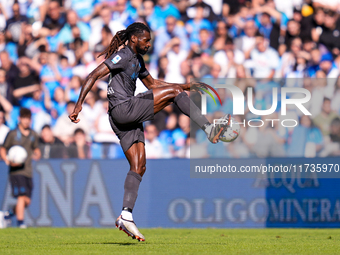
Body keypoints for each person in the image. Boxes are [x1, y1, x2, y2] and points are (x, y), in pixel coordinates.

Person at [68, 22, 230, 241]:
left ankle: (125, 215)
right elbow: (92, 75)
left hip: (122, 119)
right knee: (172, 92)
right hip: (123, 108)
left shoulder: (138, 60)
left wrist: (186, 86)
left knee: (139, 166)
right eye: (146, 40)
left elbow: (153, 84)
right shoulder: (123, 56)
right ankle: (209, 129)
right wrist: (79, 104)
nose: (149, 43)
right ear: (134, 39)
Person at [0, 108, 41, 228]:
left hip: (28, 171)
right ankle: (20, 223)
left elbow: (36, 148)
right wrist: (7, 160)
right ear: (19, 119)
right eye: (24, 118)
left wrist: (37, 153)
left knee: (27, 201)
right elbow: (3, 148)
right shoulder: (13, 134)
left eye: (28, 118)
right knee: (21, 197)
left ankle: (7, 214)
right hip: (16, 171)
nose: (26, 121)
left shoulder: (33, 134)